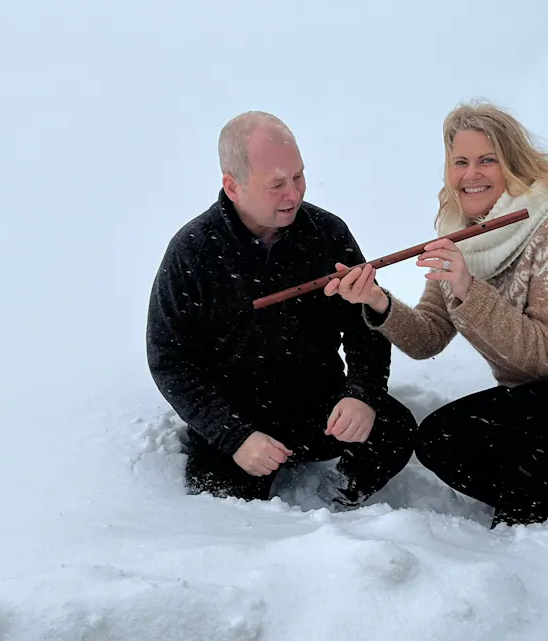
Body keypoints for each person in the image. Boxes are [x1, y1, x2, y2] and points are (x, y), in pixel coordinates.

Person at [324, 101, 548, 527]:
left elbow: (543, 355)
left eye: (487, 160)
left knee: (487, 434)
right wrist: (377, 301)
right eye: (460, 162)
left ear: (512, 164)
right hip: (547, 402)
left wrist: (468, 289)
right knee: (440, 440)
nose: (471, 174)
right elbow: (427, 337)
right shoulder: (461, 236)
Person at [146, 111, 417, 509]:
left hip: (318, 405)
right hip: (236, 415)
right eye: (276, 185)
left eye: (298, 177)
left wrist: (362, 393)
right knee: (222, 514)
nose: (293, 194)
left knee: (396, 431)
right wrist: (233, 436)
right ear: (233, 186)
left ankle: (338, 504)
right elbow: (169, 360)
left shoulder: (327, 234)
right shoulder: (193, 251)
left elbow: (365, 326)